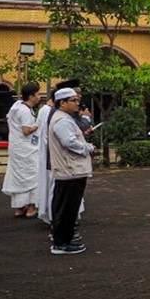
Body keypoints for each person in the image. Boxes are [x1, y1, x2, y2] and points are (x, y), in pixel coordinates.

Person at [47, 87, 95, 254]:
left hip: (68, 170)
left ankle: (63, 239)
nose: (77, 103)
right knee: (67, 208)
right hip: (70, 170)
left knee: (65, 206)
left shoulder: (62, 118)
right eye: (73, 101)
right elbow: (69, 142)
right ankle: (62, 243)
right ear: (62, 103)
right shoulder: (62, 120)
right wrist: (88, 148)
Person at [2, 83, 42, 218]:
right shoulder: (25, 111)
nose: (39, 97)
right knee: (33, 175)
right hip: (27, 149)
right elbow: (26, 130)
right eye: (37, 94)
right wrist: (38, 124)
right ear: (31, 97)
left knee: (19, 176)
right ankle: (31, 206)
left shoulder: (17, 106)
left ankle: (20, 207)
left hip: (17, 148)